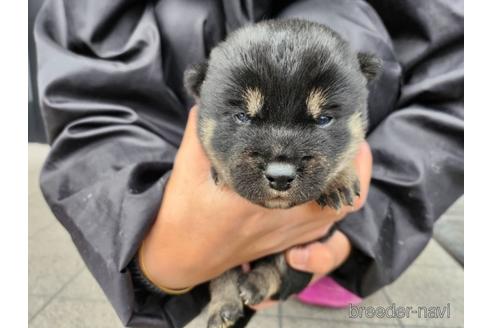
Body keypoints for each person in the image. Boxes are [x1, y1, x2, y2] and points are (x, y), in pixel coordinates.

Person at [34, 0, 463, 327]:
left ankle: (309, 274)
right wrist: (147, 245)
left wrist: (362, 230)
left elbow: (456, 73)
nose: (279, 164)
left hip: (334, 230)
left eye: (324, 117)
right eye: (242, 116)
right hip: (171, 188)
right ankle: (227, 292)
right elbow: (90, 79)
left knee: (294, 263)